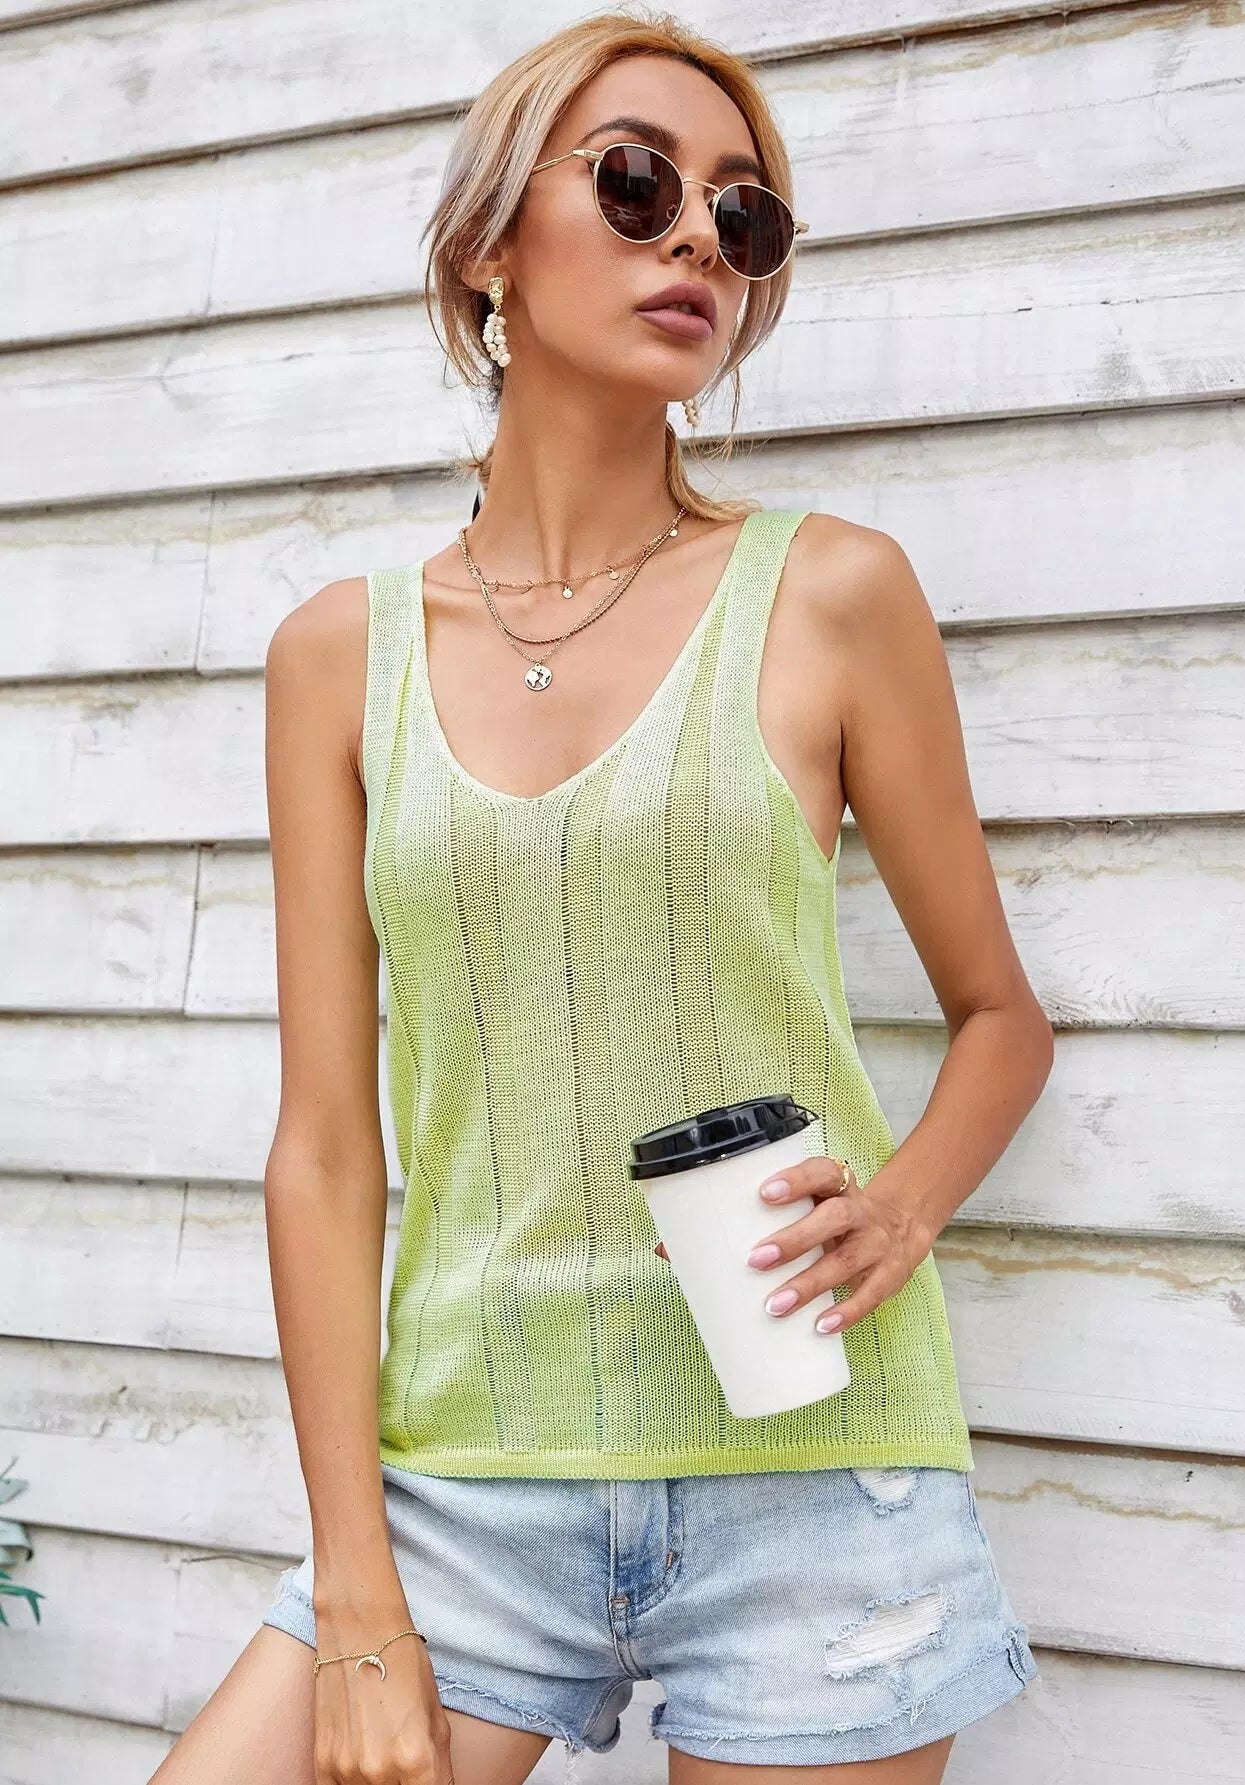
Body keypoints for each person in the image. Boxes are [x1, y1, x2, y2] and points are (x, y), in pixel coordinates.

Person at [152, 10, 1052, 1784]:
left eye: (744, 214)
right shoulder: (338, 657)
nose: (699, 237)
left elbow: (999, 1017)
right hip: (470, 1477)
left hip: (813, 1473)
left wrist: (903, 1208)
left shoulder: (835, 595)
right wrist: (358, 1598)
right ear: (489, 244)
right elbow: (324, 1148)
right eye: (639, 184)